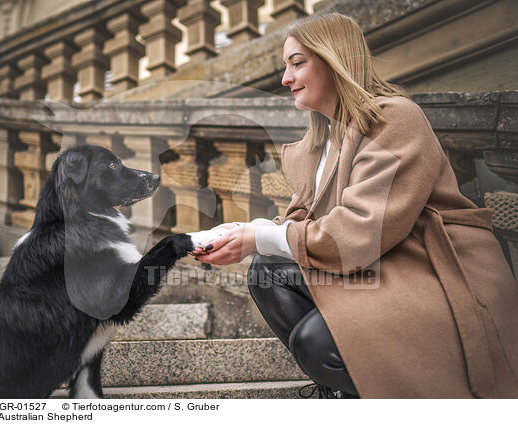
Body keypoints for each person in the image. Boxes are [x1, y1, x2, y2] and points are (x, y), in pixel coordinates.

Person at [190, 12, 518, 398]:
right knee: (269, 271)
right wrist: (245, 232)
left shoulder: (394, 119)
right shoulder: (323, 140)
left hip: (433, 274)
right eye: (286, 66)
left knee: (317, 343)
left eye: (297, 63)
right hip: (379, 268)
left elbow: (360, 232)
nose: (285, 79)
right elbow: (303, 223)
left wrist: (258, 235)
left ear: (334, 60)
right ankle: (345, 394)